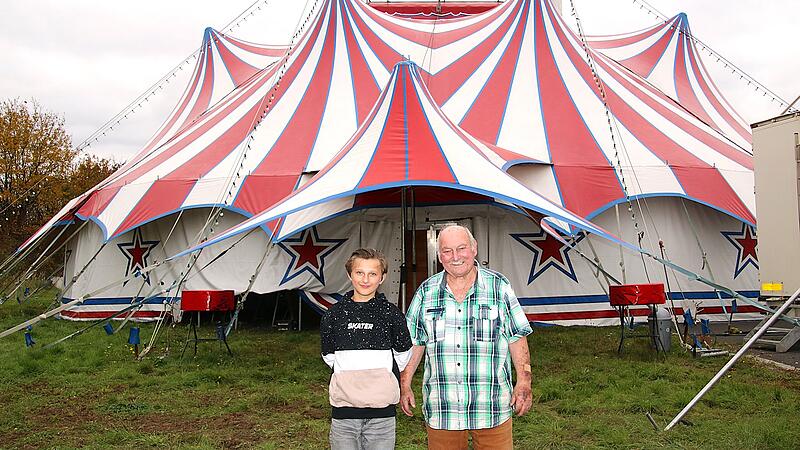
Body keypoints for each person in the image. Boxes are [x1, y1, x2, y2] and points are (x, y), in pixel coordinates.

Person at [400, 225, 533, 450]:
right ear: (439, 255)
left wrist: (524, 381)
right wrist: (404, 384)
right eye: (447, 251)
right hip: (443, 407)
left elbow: (517, 337)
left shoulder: (498, 287)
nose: (455, 257)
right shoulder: (426, 291)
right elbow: (415, 341)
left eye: (461, 248)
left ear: (474, 249)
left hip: (491, 405)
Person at [320, 248, 413, 449]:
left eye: (373, 274)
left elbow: (403, 354)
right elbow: (328, 355)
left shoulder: (392, 314)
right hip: (344, 413)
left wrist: (381, 375)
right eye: (359, 273)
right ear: (349, 275)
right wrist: (351, 375)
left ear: (382, 277)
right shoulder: (333, 315)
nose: (365, 279)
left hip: (382, 414)